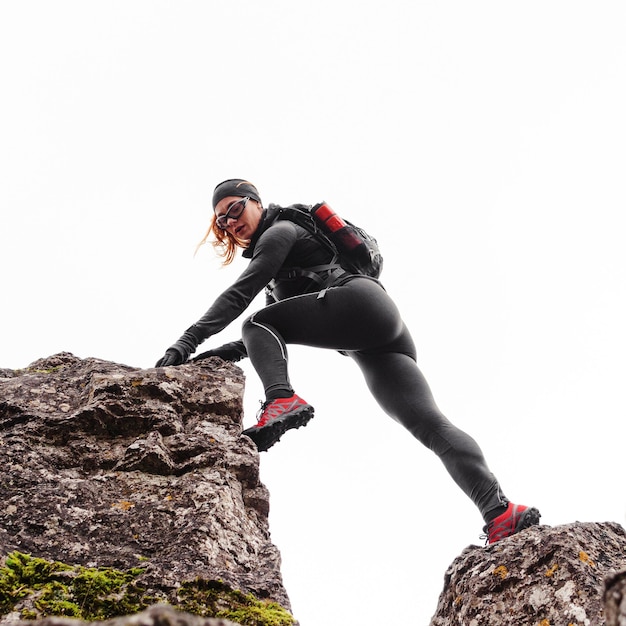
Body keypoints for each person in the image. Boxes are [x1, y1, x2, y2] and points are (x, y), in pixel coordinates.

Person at [155, 178, 541, 544]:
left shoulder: (281, 231)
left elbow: (243, 297)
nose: (231, 221)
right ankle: (499, 511)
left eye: (236, 208)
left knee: (256, 320)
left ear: (256, 201)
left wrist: (185, 342)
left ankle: (282, 400)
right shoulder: (284, 274)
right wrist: (205, 358)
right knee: (431, 425)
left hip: (359, 302)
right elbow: (259, 338)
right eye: (222, 219)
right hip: (381, 338)